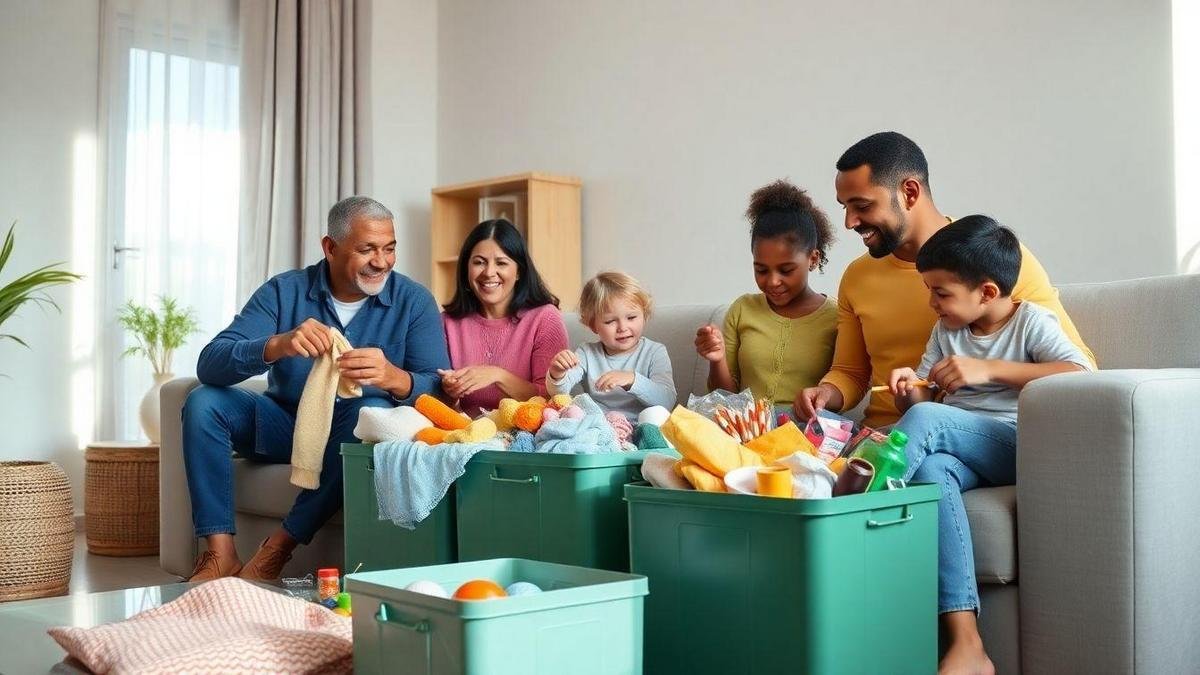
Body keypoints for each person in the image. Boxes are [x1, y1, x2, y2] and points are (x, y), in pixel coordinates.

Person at [182, 196, 449, 581]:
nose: (382, 261)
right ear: (330, 248)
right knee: (203, 402)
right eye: (367, 249)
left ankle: (277, 549)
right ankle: (220, 555)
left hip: (349, 432)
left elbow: (440, 393)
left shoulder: (414, 301)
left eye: (390, 248)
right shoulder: (283, 291)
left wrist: (393, 376)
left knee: (368, 412)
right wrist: (276, 345)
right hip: (284, 425)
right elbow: (210, 363)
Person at [887, 216, 1093, 674]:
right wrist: (910, 388)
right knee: (930, 471)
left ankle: (846, 496)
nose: (931, 302)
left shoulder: (1030, 322)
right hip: (961, 446)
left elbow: (1080, 373)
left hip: (1014, 443)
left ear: (987, 291)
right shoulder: (946, 331)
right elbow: (927, 397)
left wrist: (990, 370)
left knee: (927, 423)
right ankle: (968, 644)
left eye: (941, 293)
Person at [796, 131, 1094, 429]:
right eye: (844, 208)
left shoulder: (991, 259)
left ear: (910, 193)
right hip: (886, 432)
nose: (849, 222)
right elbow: (850, 371)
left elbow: (1083, 371)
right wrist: (826, 393)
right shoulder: (857, 277)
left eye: (862, 206)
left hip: (972, 431)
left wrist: (988, 369)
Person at [693, 179, 838, 412]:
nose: (772, 281)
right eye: (761, 269)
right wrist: (717, 359)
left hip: (804, 432)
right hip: (747, 428)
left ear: (813, 259)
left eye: (786, 270)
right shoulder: (743, 309)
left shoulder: (837, 316)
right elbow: (726, 398)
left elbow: (846, 383)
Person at [440, 219, 569, 416]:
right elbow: (434, 399)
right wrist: (449, 390)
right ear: (466, 268)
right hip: (462, 433)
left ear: (519, 272)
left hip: (523, 433)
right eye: (479, 262)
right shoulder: (446, 322)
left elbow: (552, 398)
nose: (489, 272)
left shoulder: (545, 318)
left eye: (501, 263)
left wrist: (497, 376)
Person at [547, 271, 676, 419]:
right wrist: (557, 374)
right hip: (601, 426)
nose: (622, 327)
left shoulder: (654, 352)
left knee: (657, 415)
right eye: (610, 321)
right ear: (593, 325)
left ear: (644, 316)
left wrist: (632, 380)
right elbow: (558, 394)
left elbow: (667, 401)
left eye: (631, 317)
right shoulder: (587, 353)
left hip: (642, 426)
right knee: (570, 411)